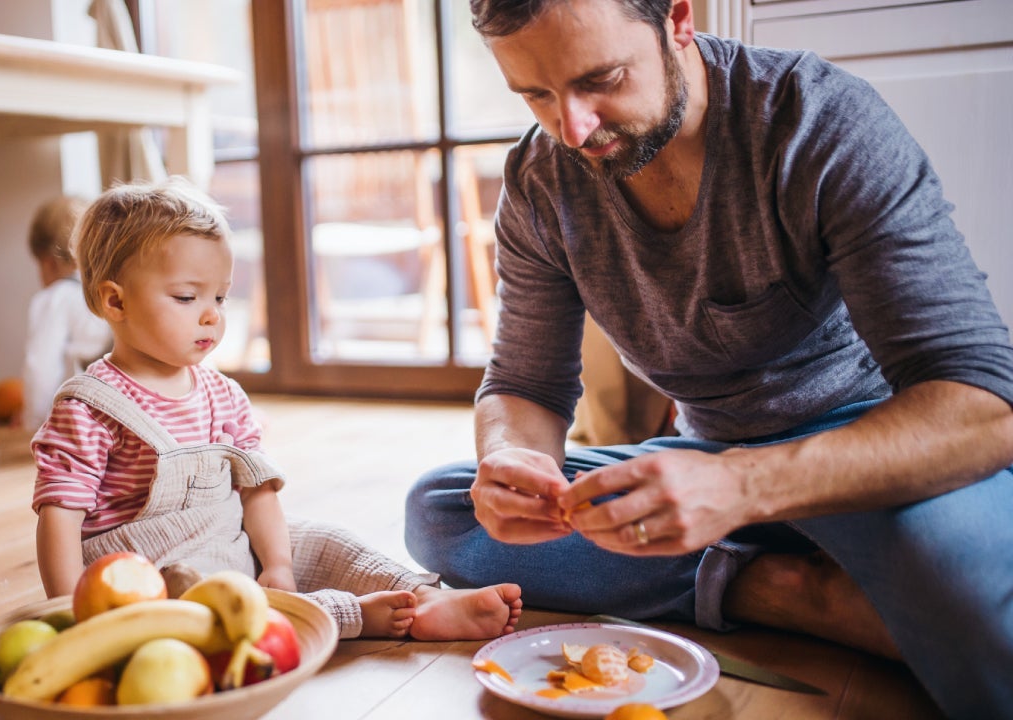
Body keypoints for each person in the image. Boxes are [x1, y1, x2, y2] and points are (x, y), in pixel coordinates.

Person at [402, 0, 1013, 716]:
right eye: (536, 94)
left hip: (870, 465)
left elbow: (983, 410)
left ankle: (819, 584)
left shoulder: (817, 123)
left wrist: (741, 486)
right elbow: (524, 383)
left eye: (601, 78)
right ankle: (796, 592)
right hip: (708, 472)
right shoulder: (540, 180)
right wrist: (514, 462)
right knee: (442, 510)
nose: (572, 127)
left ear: (679, 18)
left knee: (966, 583)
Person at [31, 179, 522, 640]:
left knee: (326, 541)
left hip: (231, 538)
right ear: (115, 302)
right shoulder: (90, 407)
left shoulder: (222, 394)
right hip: (154, 576)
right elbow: (60, 517)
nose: (211, 315)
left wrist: (279, 565)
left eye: (220, 297)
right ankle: (356, 617)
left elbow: (258, 492)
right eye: (187, 297)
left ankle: (420, 595)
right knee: (219, 608)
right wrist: (73, 609)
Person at [21, 195, 114, 432]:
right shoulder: (110, 290)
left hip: (88, 415)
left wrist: (35, 421)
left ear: (49, 262)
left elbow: (41, 367)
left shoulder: (54, 299)